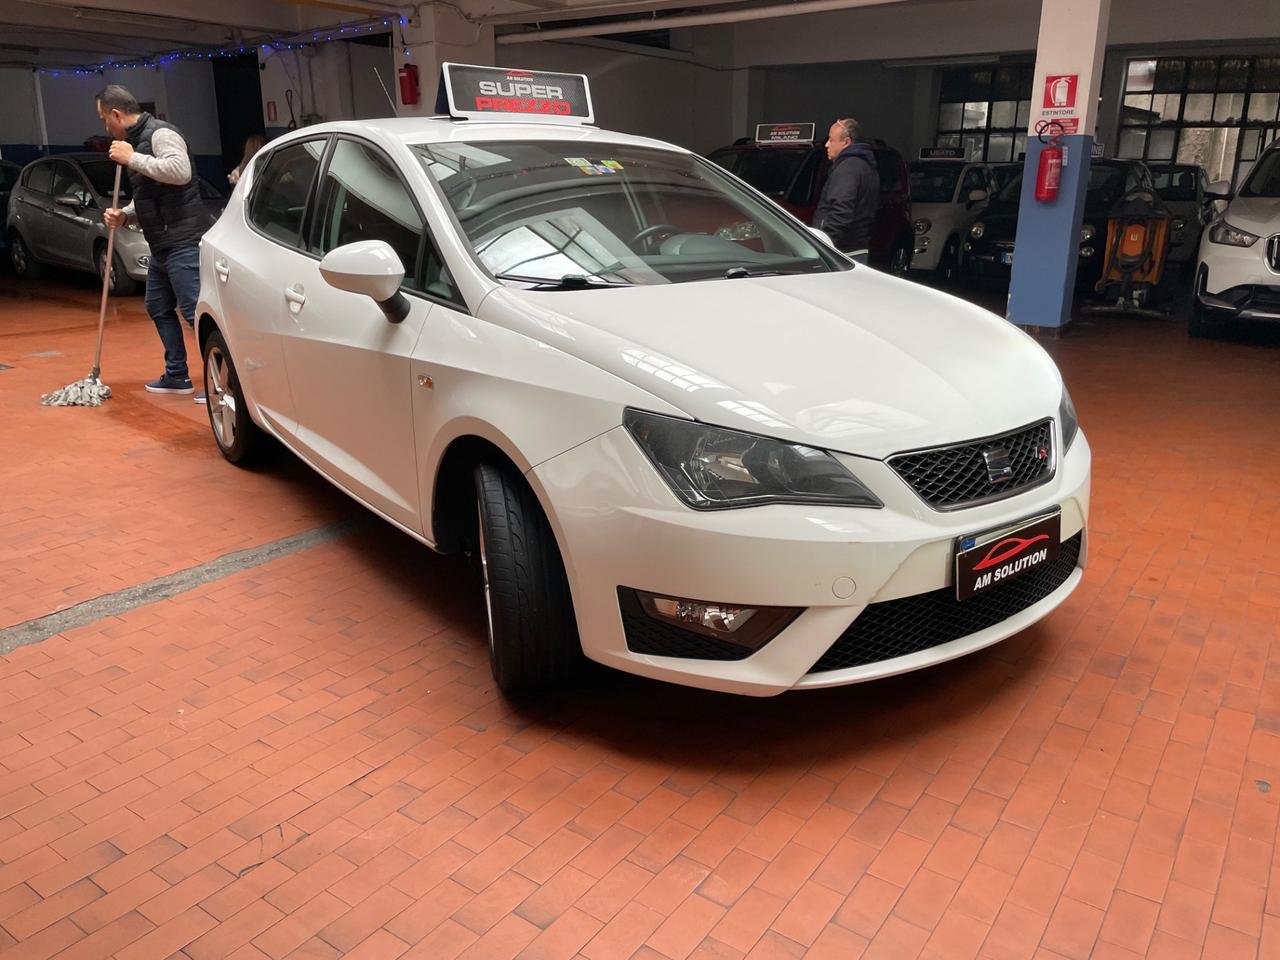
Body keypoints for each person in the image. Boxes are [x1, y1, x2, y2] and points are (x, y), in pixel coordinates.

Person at [97, 84, 206, 399]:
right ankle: (177, 375)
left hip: (183, 240)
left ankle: (223, 380)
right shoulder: (136, 143)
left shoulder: (160, 134)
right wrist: (126, 216)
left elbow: (180, 172)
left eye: (105, 119)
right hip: (161, 243)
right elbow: (150, 194)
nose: (106, 127)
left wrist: (132, 159)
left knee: (195, 313)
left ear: (117, 114)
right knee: (157, 305)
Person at [813, 118, 881, 264]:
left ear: (846, 142)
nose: (826, 145)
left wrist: (822, 245)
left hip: (842, 253)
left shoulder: (848, 168)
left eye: (831, 140)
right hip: (857, 250)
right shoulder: (864, 166)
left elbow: (841, 210)